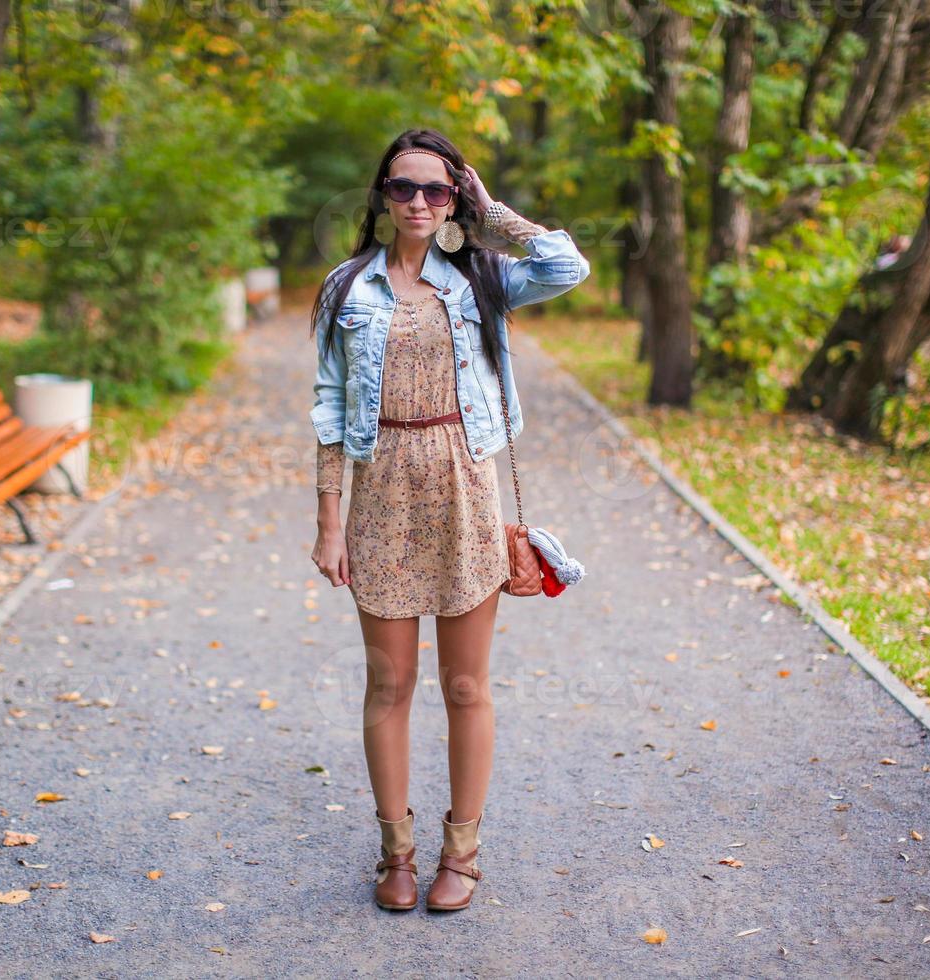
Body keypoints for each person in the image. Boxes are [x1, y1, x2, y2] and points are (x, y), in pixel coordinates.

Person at [307, 128, 590, 912]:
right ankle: (395, 852)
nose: (421, 203)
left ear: (455, 196)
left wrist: (493, 210)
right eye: (405, 188)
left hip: (465, 487)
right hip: (381, 494)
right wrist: (329, 521)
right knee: (388, 682)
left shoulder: (482, 275)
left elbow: (568, 266)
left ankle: (461, 854)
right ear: (382, 195)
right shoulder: (347, 288)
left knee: (465, 685)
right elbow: (329, 409)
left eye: (438, 189)